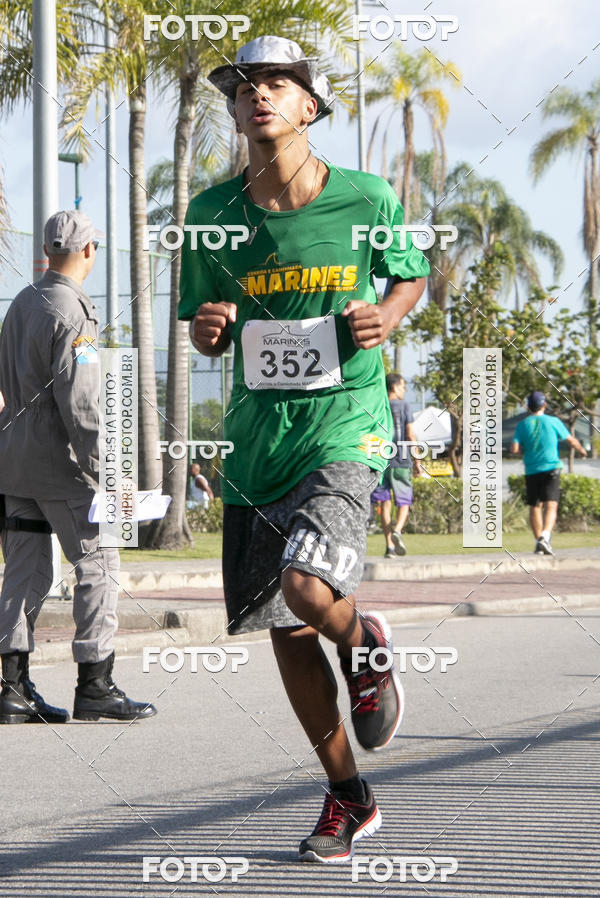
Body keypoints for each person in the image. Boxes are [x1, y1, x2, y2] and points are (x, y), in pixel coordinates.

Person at [180, 36, 429, 862]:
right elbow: (206, 322)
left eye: (278, 84)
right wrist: (210, 332)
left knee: (306, 586)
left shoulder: (365, 198)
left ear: (310, 106)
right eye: (245, 87)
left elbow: (409, 275)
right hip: (257, 445)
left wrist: (386, 319)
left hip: (344, 425)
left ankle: (366, 644)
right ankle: (348, 797)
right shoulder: (213, 215)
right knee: (286, 632)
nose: (258, 96)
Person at [0, 210, 157, 724]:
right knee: (99, 563)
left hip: (13, 460)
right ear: (90, 251)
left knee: (25, 572)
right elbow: (82, 404)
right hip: (62, 463)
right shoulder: (74, 312)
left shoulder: (21, 303)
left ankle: (12, 689)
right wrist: (110, 475)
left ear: (48, 248)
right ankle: (95, 683)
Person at [510, 391, 587, 555]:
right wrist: (581, 450)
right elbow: (570, 440)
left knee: (535, 505)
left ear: (528, 406)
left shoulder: (522, 425)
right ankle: (545, 537)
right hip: (551, 468)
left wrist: (526, 449)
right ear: (544, 405)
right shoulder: (553, 421)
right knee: (552, 504)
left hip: (531, 469)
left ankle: (539, 542)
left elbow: (514, 449)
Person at [370, 374, 421, 557]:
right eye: (403, 387)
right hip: (401, 460)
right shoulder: (405, 406)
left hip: (381, 461)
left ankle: (389, 546)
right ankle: (398, 530)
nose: (404, 390)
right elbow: (410, 435)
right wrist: (418, 461)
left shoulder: (378, 406)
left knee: (384, 503)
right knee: (404, 500)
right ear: (395, 387)